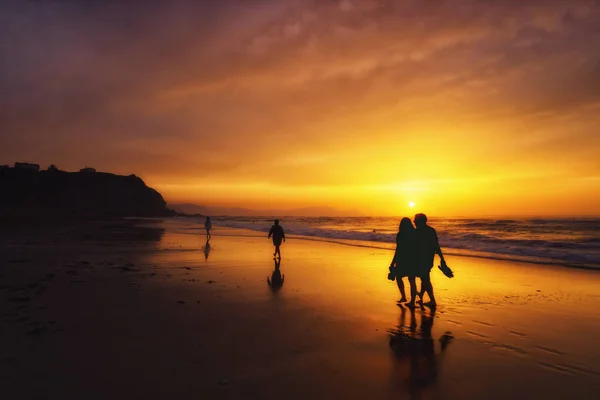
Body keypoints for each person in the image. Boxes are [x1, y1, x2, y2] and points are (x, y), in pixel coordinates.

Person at [414, 213, 447, 308]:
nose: (414, 221)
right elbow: (436, 245)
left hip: (422, 258)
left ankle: (432, 300)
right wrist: (442, 258)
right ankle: (421, 295)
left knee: (425, 278)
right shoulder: (431, 230)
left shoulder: (418, 231)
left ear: (420, 221)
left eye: (415, 220)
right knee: (424, 277)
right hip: (428, 258)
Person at [389, 217, 419, 305]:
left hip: (402, 259)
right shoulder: (415, 233)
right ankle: (412, 301)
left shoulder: (400, 234)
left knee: (399, 278)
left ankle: (403, 296)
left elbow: (398, 249)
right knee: (412, 280)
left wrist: (393, 262)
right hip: (413, 259)